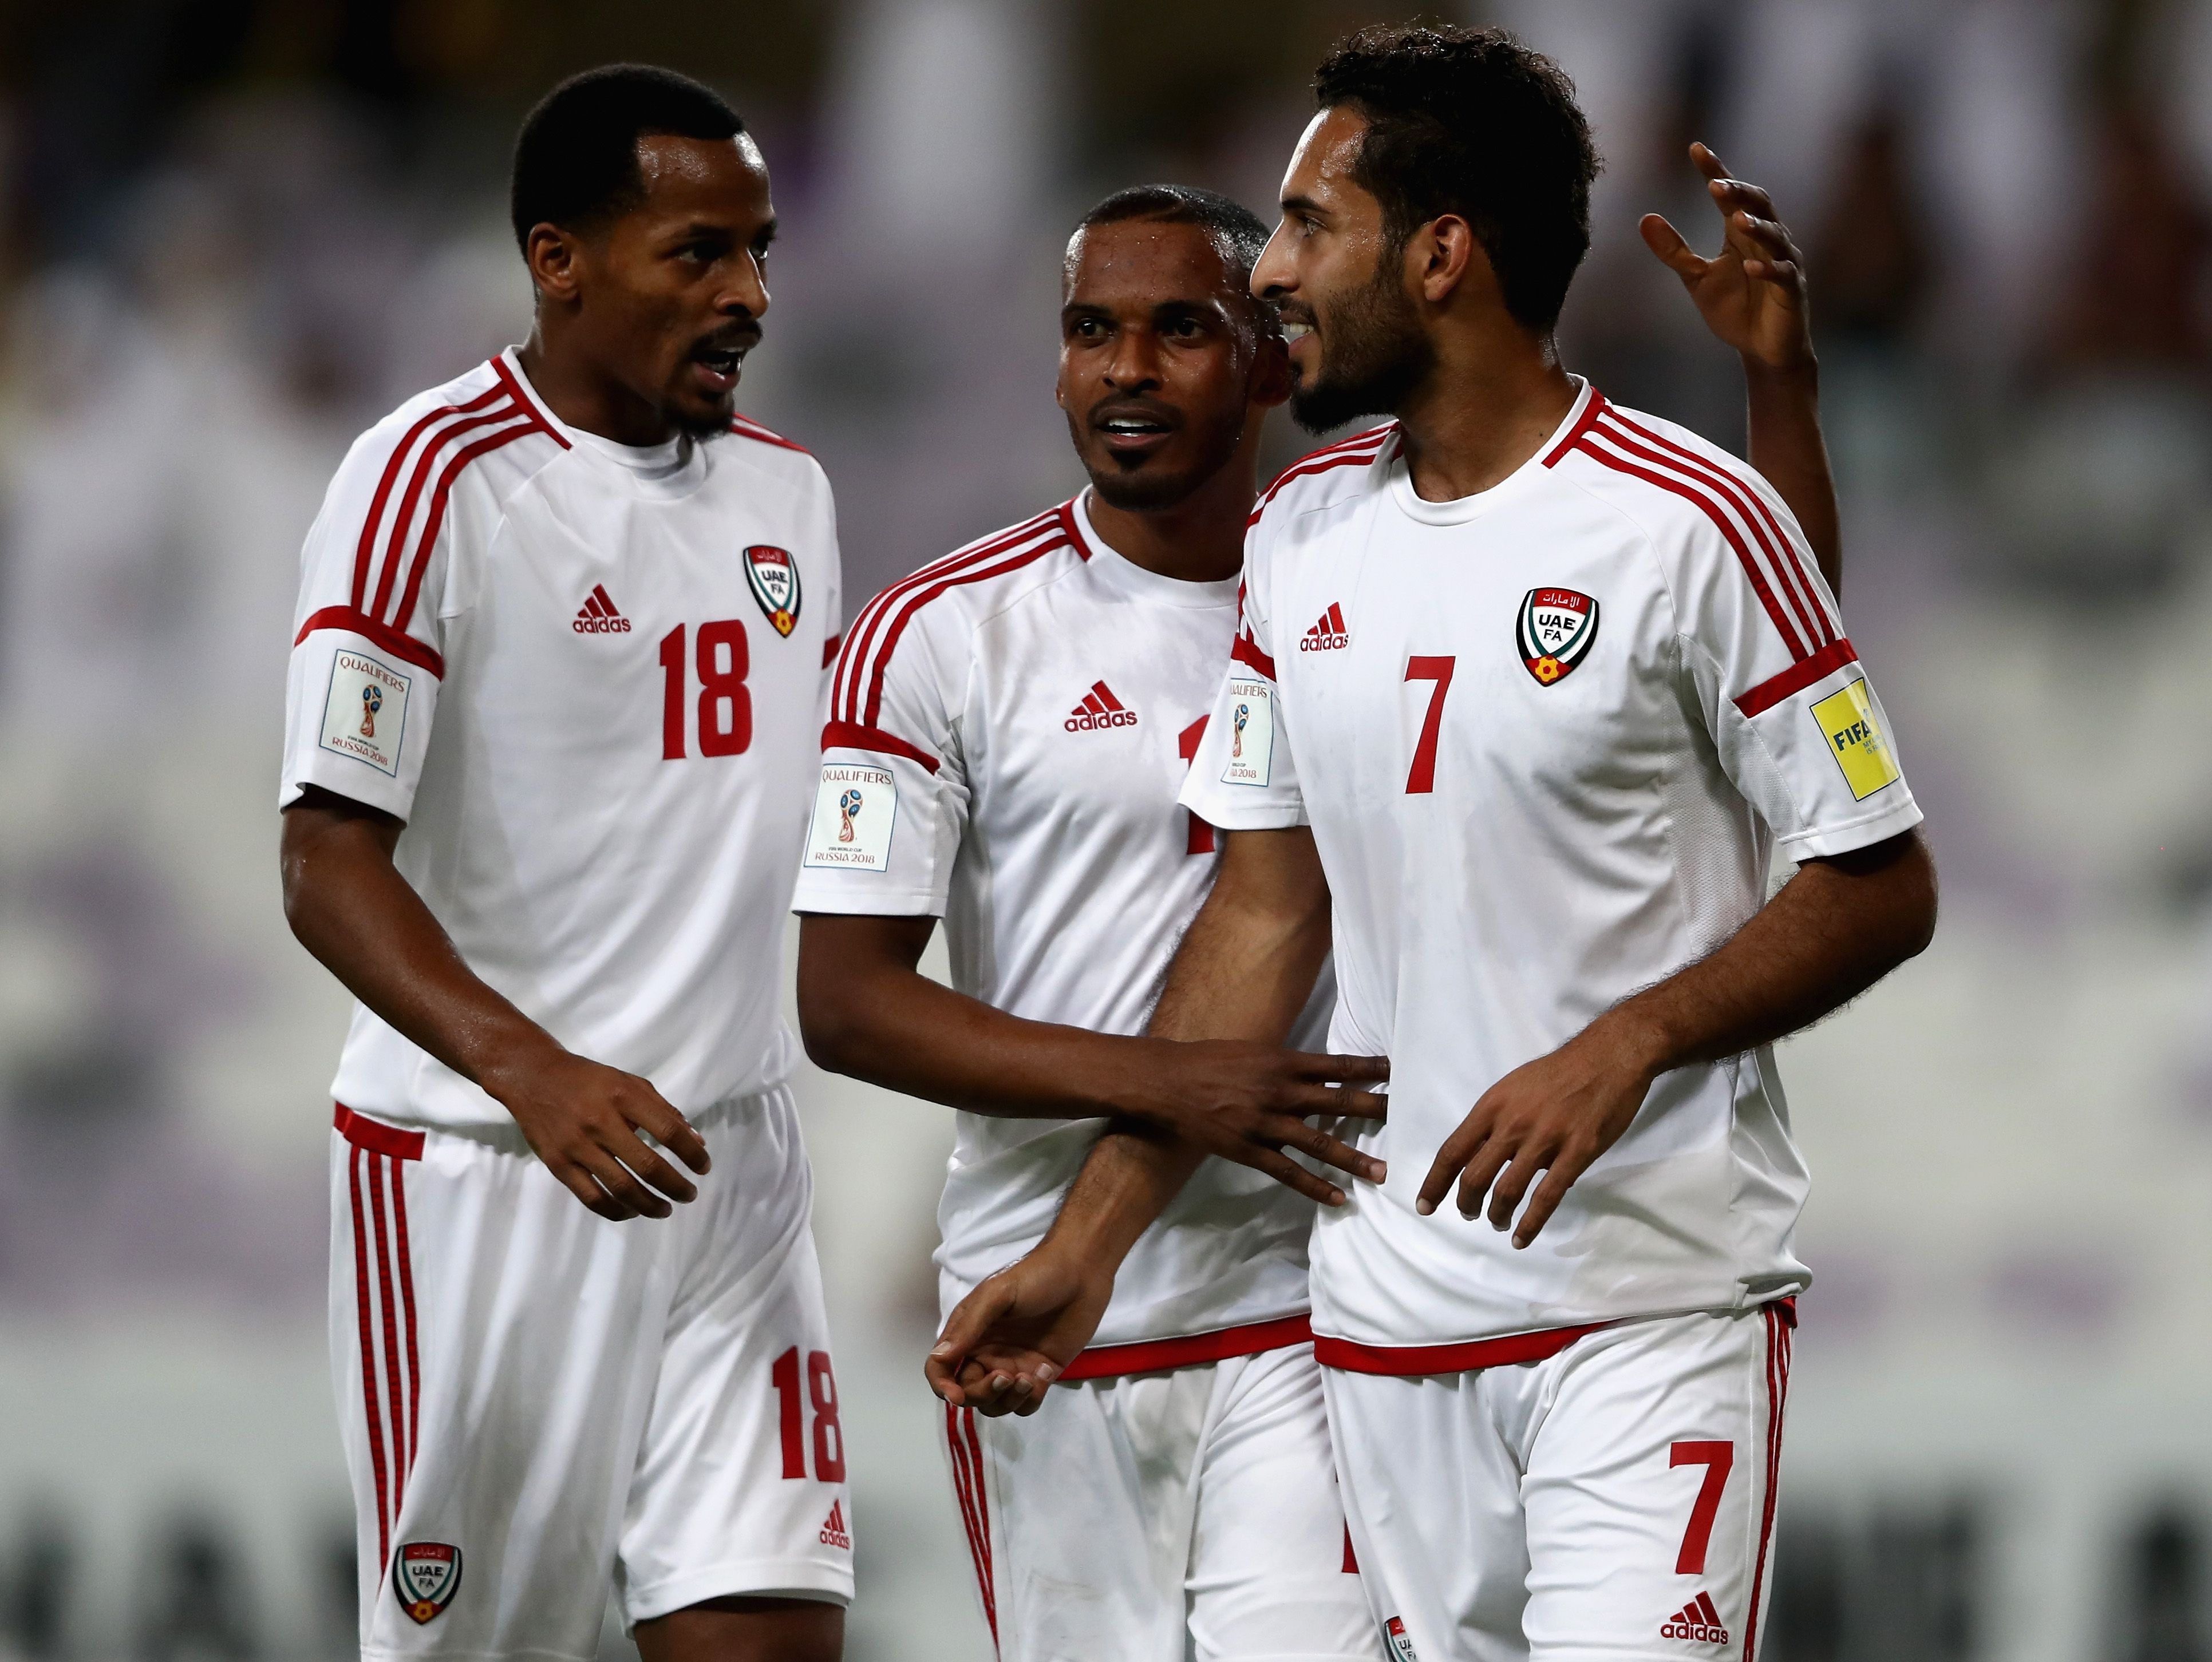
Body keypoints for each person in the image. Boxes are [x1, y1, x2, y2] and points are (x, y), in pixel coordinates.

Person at [925, 25, 1936, 1662]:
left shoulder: (1685, 516)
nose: (1279, 275)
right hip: (1380, 1341)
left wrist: (1631, 1042)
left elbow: (1881, 875)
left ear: (1444, 253)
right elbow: (1260, 920)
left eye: (1314, 225)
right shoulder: (1305, 532)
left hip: (1645, 1308)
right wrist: (1086, 1249)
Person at [279, 66, 847, 1662]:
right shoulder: (426, 480)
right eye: (698, 255)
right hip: (486, 1174)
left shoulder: (789, 494)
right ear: (559, 259)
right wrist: (537, 1074)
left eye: (761, 251)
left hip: (730, 1176)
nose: (747, 295)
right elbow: (325, 860)